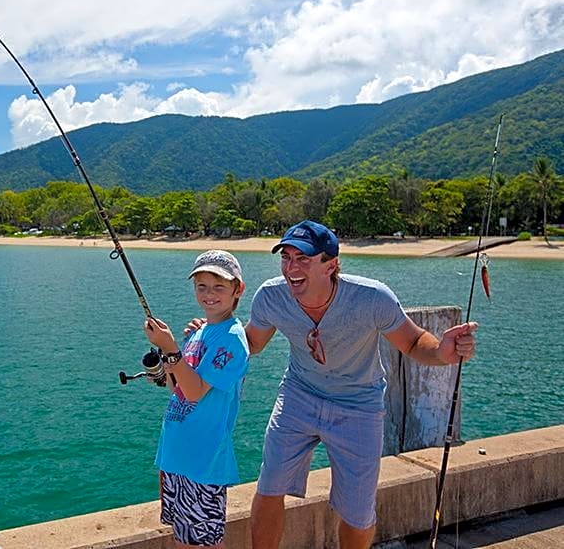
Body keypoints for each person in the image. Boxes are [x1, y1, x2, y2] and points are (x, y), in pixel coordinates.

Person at [244, 220, 478, 549]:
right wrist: (210, 336)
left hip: (358, 406)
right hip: (298, 396)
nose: (291, 268)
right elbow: (250, 345)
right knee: (269, 487)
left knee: (358, 513)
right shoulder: (271, 297)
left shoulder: (371, 298)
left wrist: (442, 351)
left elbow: (412, 343)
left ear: (332, 265)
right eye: (286, 257)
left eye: (304, 259)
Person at [144, 249, 250, 549]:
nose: (209, 294)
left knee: (201, 544)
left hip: (203, 462)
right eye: (201, 286)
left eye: (219, 287)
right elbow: (178, 388)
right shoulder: (200, 332)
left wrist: (170, 346)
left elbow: (195, 391)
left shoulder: (231, 338)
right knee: (182, 540)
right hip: (177, 458)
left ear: (237, 290)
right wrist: (169, 355)